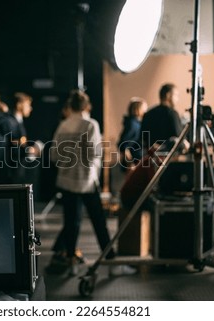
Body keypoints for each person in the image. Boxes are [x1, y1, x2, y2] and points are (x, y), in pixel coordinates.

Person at [47, 89, 136, 276]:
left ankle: (71, 261)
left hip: (66, 180)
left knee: (71, 222)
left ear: (71, 106)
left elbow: (53, 155)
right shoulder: (90, 125)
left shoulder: (63, 126)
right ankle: (110, 260)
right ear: (87, 106)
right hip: (86, 181)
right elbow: (95, 154)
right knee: (98, 222)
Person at [139, 83, 188, 154]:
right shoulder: (172, 114)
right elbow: (180, 138)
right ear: (168, 95)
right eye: (176, 95)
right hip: (170, 159)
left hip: (153, 158)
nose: (177, 99)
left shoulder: (148, 114)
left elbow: (143, 138)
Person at [117, 97, 148, 171]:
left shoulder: (136, 123)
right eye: (144, 108)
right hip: (134, 164)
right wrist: (130, 163)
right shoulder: (133, 124)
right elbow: (123, 145)